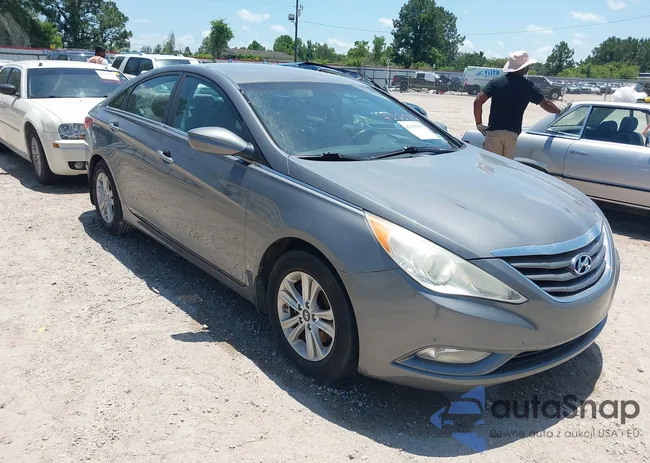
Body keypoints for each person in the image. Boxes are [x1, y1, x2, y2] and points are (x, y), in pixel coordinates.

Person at [473, 51, 561, 159]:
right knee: (506, 167)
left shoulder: (496, 83)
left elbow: (478, 101)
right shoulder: (529, 87)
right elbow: (547, 104)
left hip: (494, 132)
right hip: (512, 134)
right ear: (523, 68)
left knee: (490, 166)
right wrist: (560, 111)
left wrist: (479, 124)